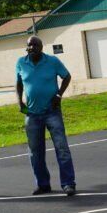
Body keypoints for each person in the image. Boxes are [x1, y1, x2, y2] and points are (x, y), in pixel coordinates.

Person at [16, 36, 76, 196]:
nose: (32, 47)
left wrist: (59, 95)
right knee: (35, 152)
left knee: (61, 148)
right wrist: (19, 101)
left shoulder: (52, 61)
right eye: (29, 45)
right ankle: (43, 184)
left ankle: (68, 183)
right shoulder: (21, 62)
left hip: (52, 111)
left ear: (42, 47)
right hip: (32, 113)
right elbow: (19, 83)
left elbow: (67, 76)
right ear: (26, 47)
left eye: (35, 44)